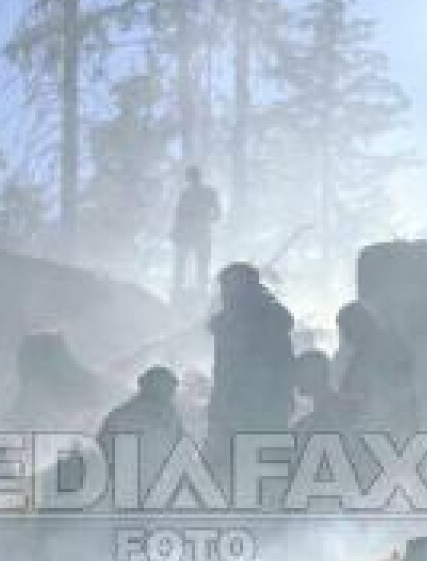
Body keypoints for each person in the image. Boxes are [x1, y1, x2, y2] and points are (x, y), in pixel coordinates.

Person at [205, 263, 297, 473]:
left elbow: (278, 372)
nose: (225, 295)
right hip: (231, 415)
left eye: (231, 288)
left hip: (262, 416)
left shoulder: (270, 323)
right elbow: (223, 374)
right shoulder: (229, 324)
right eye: (224, 288)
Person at [98, 366, 188, 502]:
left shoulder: (172, 416)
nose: (169, 392)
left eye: (169, 388)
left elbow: (181, 449)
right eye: (161, 386)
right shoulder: (122, 415)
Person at [332, 302, 419, 435]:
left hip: (392, 426)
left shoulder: (389, 347)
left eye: (348, 329)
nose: (346, 337)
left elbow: (398, 389)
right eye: (344, 331)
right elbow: (348, 390)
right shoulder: (357, 355)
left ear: (361, 324)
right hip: (370, 427)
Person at [171, 166, 223, 298]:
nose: (192, 180)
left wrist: (203, 220)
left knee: (201, 264)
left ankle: (200, 292)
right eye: (190, 178)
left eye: (192, 177)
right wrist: (176, 231)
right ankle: (179, 290)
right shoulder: (186, 194)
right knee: (183, 263)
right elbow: (179, 214)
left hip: (200, 234)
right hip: (189, 234)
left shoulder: (208, 193)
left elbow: (217, 214)